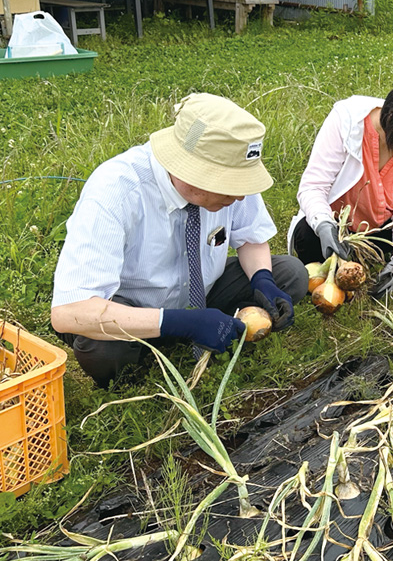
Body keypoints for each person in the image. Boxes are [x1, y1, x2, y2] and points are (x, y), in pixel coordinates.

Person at [51, 93, 307, 388]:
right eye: (231, 185)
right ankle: (166, 337)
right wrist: (178, 322)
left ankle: (207, 325)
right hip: (131, 304)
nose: (239, 196)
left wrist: (263, 280)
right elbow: (69, 312)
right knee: (103, 351)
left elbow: (250, 237)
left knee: (291, 275)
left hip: (203, 290)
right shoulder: (116, 191)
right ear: (189, 169)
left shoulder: (233, 185)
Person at [288, 69, 393, 297]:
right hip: (339, 234)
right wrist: (323, 224)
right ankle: (338, 265)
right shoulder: (347, 120)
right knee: (307, 232)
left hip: (382, 232)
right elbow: (313, 187)